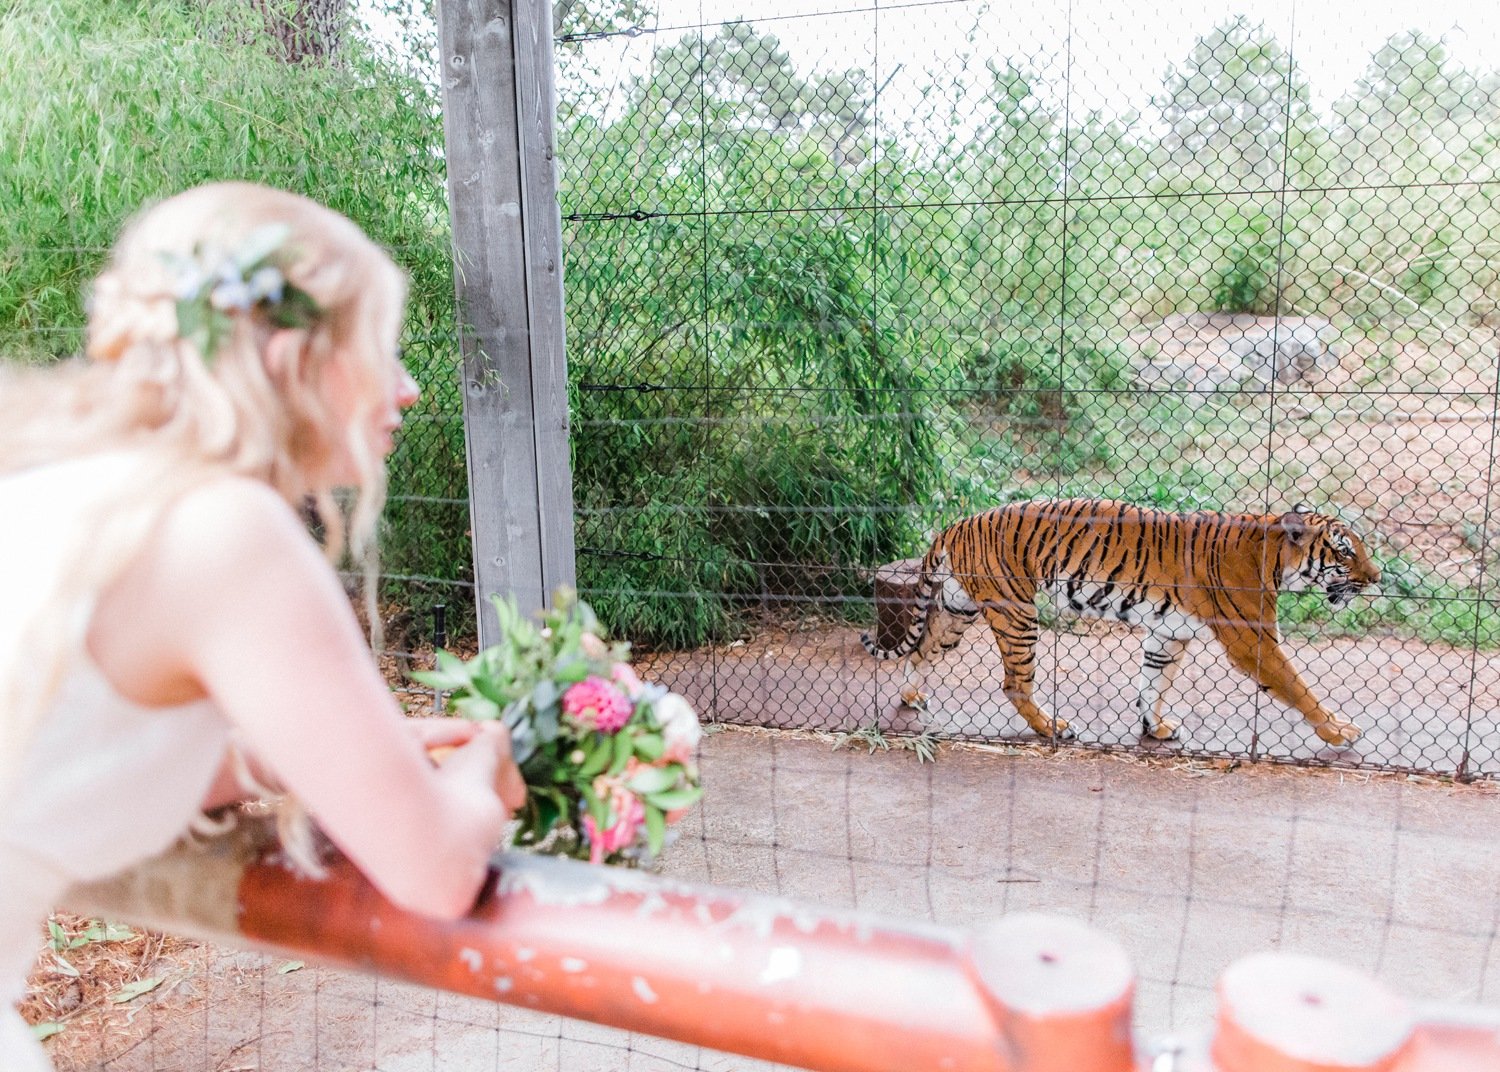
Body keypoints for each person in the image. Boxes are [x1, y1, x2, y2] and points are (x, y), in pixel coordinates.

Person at [0, 182, 527, 1070]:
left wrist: (278, 758)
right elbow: (436, 872)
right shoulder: (226, 527)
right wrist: (482, 772)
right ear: (290, 355)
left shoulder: (62, 495)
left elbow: (68, 750)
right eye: (380, 349)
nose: (408, 389)